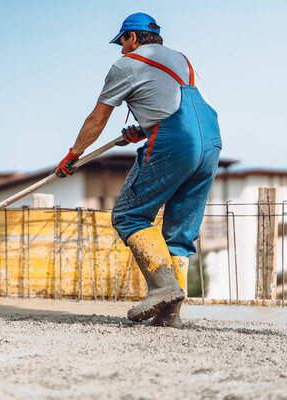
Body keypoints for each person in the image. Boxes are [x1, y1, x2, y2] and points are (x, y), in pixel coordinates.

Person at [54, 12, 221, 328]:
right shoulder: (181, 59)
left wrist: (72, 155)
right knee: (180, 232)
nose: (120, 49)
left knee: (129, 216)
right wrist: (142, 130)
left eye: (121, 42)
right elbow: (178, 105)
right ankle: (169, 314)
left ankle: (164, 287)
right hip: (210, 142)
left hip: (174, 140)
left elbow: (97, 119)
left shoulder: (126, 64)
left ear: (132, 37)